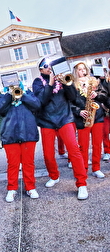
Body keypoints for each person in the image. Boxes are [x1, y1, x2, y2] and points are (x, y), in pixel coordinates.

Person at [32, 58, 88, 200]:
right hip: (47, 121)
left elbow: (74, 98)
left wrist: (67, 83)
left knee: (74, 151)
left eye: (51, 66)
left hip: (65, 118)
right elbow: (41, 101)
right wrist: (50, 83)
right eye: (46, 66)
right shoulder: (38, 82)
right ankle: (54, 176)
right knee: (48, 154)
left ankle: (81, 184)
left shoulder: (63, 78)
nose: (50, 68)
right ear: (41, 70)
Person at [0, 81, 41, 202]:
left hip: (28, 132)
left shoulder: (27, 92)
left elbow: (37, 105)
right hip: (10, 134)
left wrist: (23, 94)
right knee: (13, 164)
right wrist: (9, 95)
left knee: (28, 163)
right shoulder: (3, 96)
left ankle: (30, 187)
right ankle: (12, 188)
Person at [71, 62, 107, 178]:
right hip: (83, 117)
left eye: (84, 69)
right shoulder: (72, 84)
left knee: (97, 144)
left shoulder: (94, 81)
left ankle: (96, 168)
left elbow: (104, 95)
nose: (83, 72)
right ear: (75, 71)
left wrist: (96, 94)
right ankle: (84, 169)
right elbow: (69, 102)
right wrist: (79, 111)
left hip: (97, 116)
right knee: (83, 146)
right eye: (80, 70)